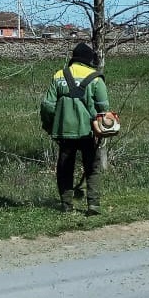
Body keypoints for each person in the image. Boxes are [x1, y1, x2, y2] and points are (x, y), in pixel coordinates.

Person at [40, 42, 110, 216]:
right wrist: (103, 130)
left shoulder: (59, 76)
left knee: (65, 168)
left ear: (73, 58)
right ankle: (93, 205)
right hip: (89, 132)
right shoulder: (96, 77)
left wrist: (50, 126)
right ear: (89, 60)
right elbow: (104, 109)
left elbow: (47, 106)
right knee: (92, 168)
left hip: (64, 131)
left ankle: (66, 205)